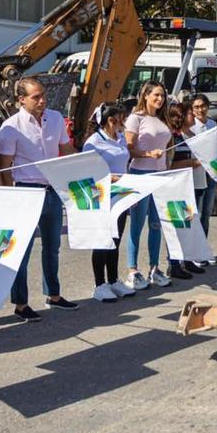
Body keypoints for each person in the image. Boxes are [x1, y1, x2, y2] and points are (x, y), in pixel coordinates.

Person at [0, 77, 78, 320]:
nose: (42, 100)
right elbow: (4, 167)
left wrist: (89, 161)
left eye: (43, 95)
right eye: (36, 97)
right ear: (21, 99)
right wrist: (9, 199)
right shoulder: (11, 127)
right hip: (25, 192)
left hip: (52, 191)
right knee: (21, 250)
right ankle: (20, 303)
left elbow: (66, 150)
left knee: (52, 247)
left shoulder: (55, 118)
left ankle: (53, 295)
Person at [82, 103, 136, 303]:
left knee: (115, 239)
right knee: (102, 241)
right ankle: (99, 284)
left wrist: (131, 194)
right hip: (103, 197)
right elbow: (86, 172)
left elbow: (125, 166)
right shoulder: (94, 142)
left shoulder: (120, 138)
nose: (125, 123)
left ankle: (113, 280)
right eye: (122, 119)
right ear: (111, 120)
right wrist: (107, 177)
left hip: (120, 196)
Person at [123, 81, 172, 290]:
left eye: (162, 95)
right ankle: (133, 270)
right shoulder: (136, 118)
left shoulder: (162, 119)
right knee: (137, 224)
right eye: (156, 95)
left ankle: (154, 268)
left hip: (159, 176)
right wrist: (147, 154)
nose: (160, 99)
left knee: (155, 224)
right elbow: (129, 149)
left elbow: (168, 146)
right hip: (140, 174)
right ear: (145, 96)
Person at [166, 100, 205, 279]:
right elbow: (169, 164)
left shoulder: (191, 134)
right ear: (182, 116)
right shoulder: (174, 137)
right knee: (178, 225)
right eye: (191, 112)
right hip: (177, 187)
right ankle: (173, 264)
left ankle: (188, 260)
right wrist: (191, 163)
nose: (194, 115)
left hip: (191, 185)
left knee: (190, 223)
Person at [189, 93, 217, 239]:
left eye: (203, 106)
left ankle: (203, 246)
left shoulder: (213, 125)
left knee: (207, 212)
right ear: (192, 110)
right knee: (197, 212)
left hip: (210, 174)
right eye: (196, 107)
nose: (200, 110)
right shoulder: (190, 128)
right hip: (196, 175)